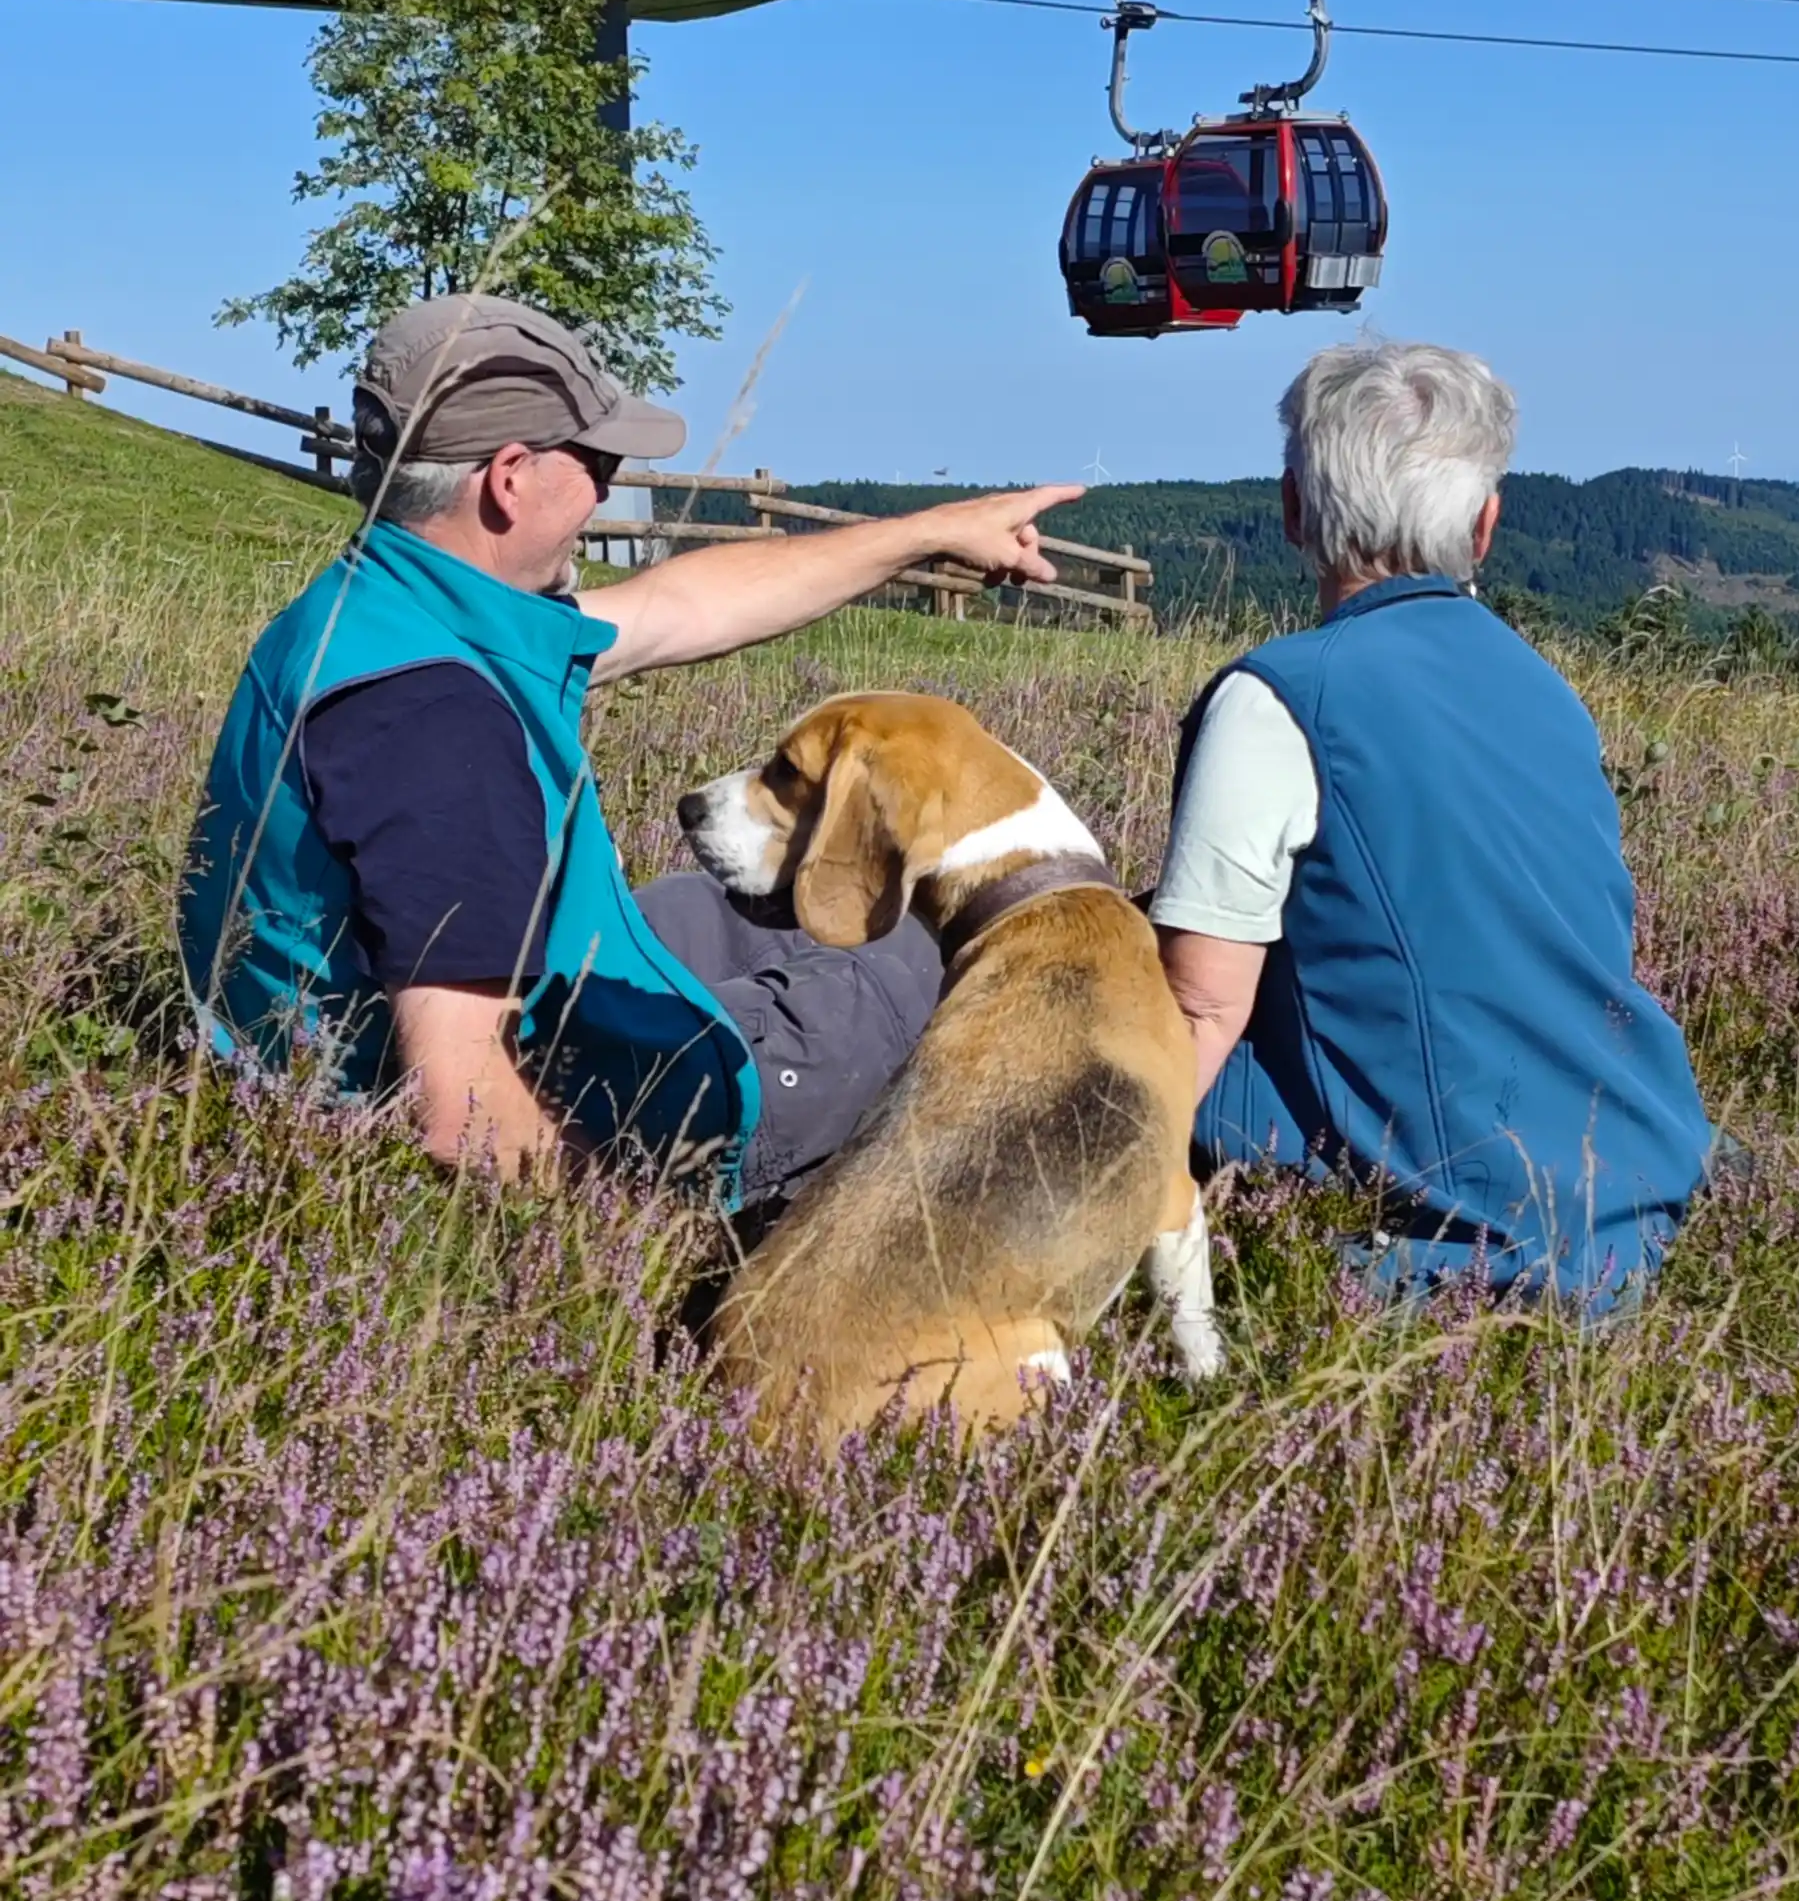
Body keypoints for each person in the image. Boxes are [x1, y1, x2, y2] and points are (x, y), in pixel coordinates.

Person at [179, 293, 1081, 1207]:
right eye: (597, 462)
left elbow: (680, 608)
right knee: (906, 951)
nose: (606, 492)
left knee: (730, 904)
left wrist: (930, 532)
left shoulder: (386, 612)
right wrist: (620, 1237)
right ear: (510, 476)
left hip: (519, 1009)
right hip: (598, 1112)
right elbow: (459, 1111)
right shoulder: (438, 725)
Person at [1151, 342, 1712, 1310]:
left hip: (1451, 1207)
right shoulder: (1551, 694)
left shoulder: (1276, 699)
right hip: (1637, 1164)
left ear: (1293, 508)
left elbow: (1199, 1010)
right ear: (1486, 525)